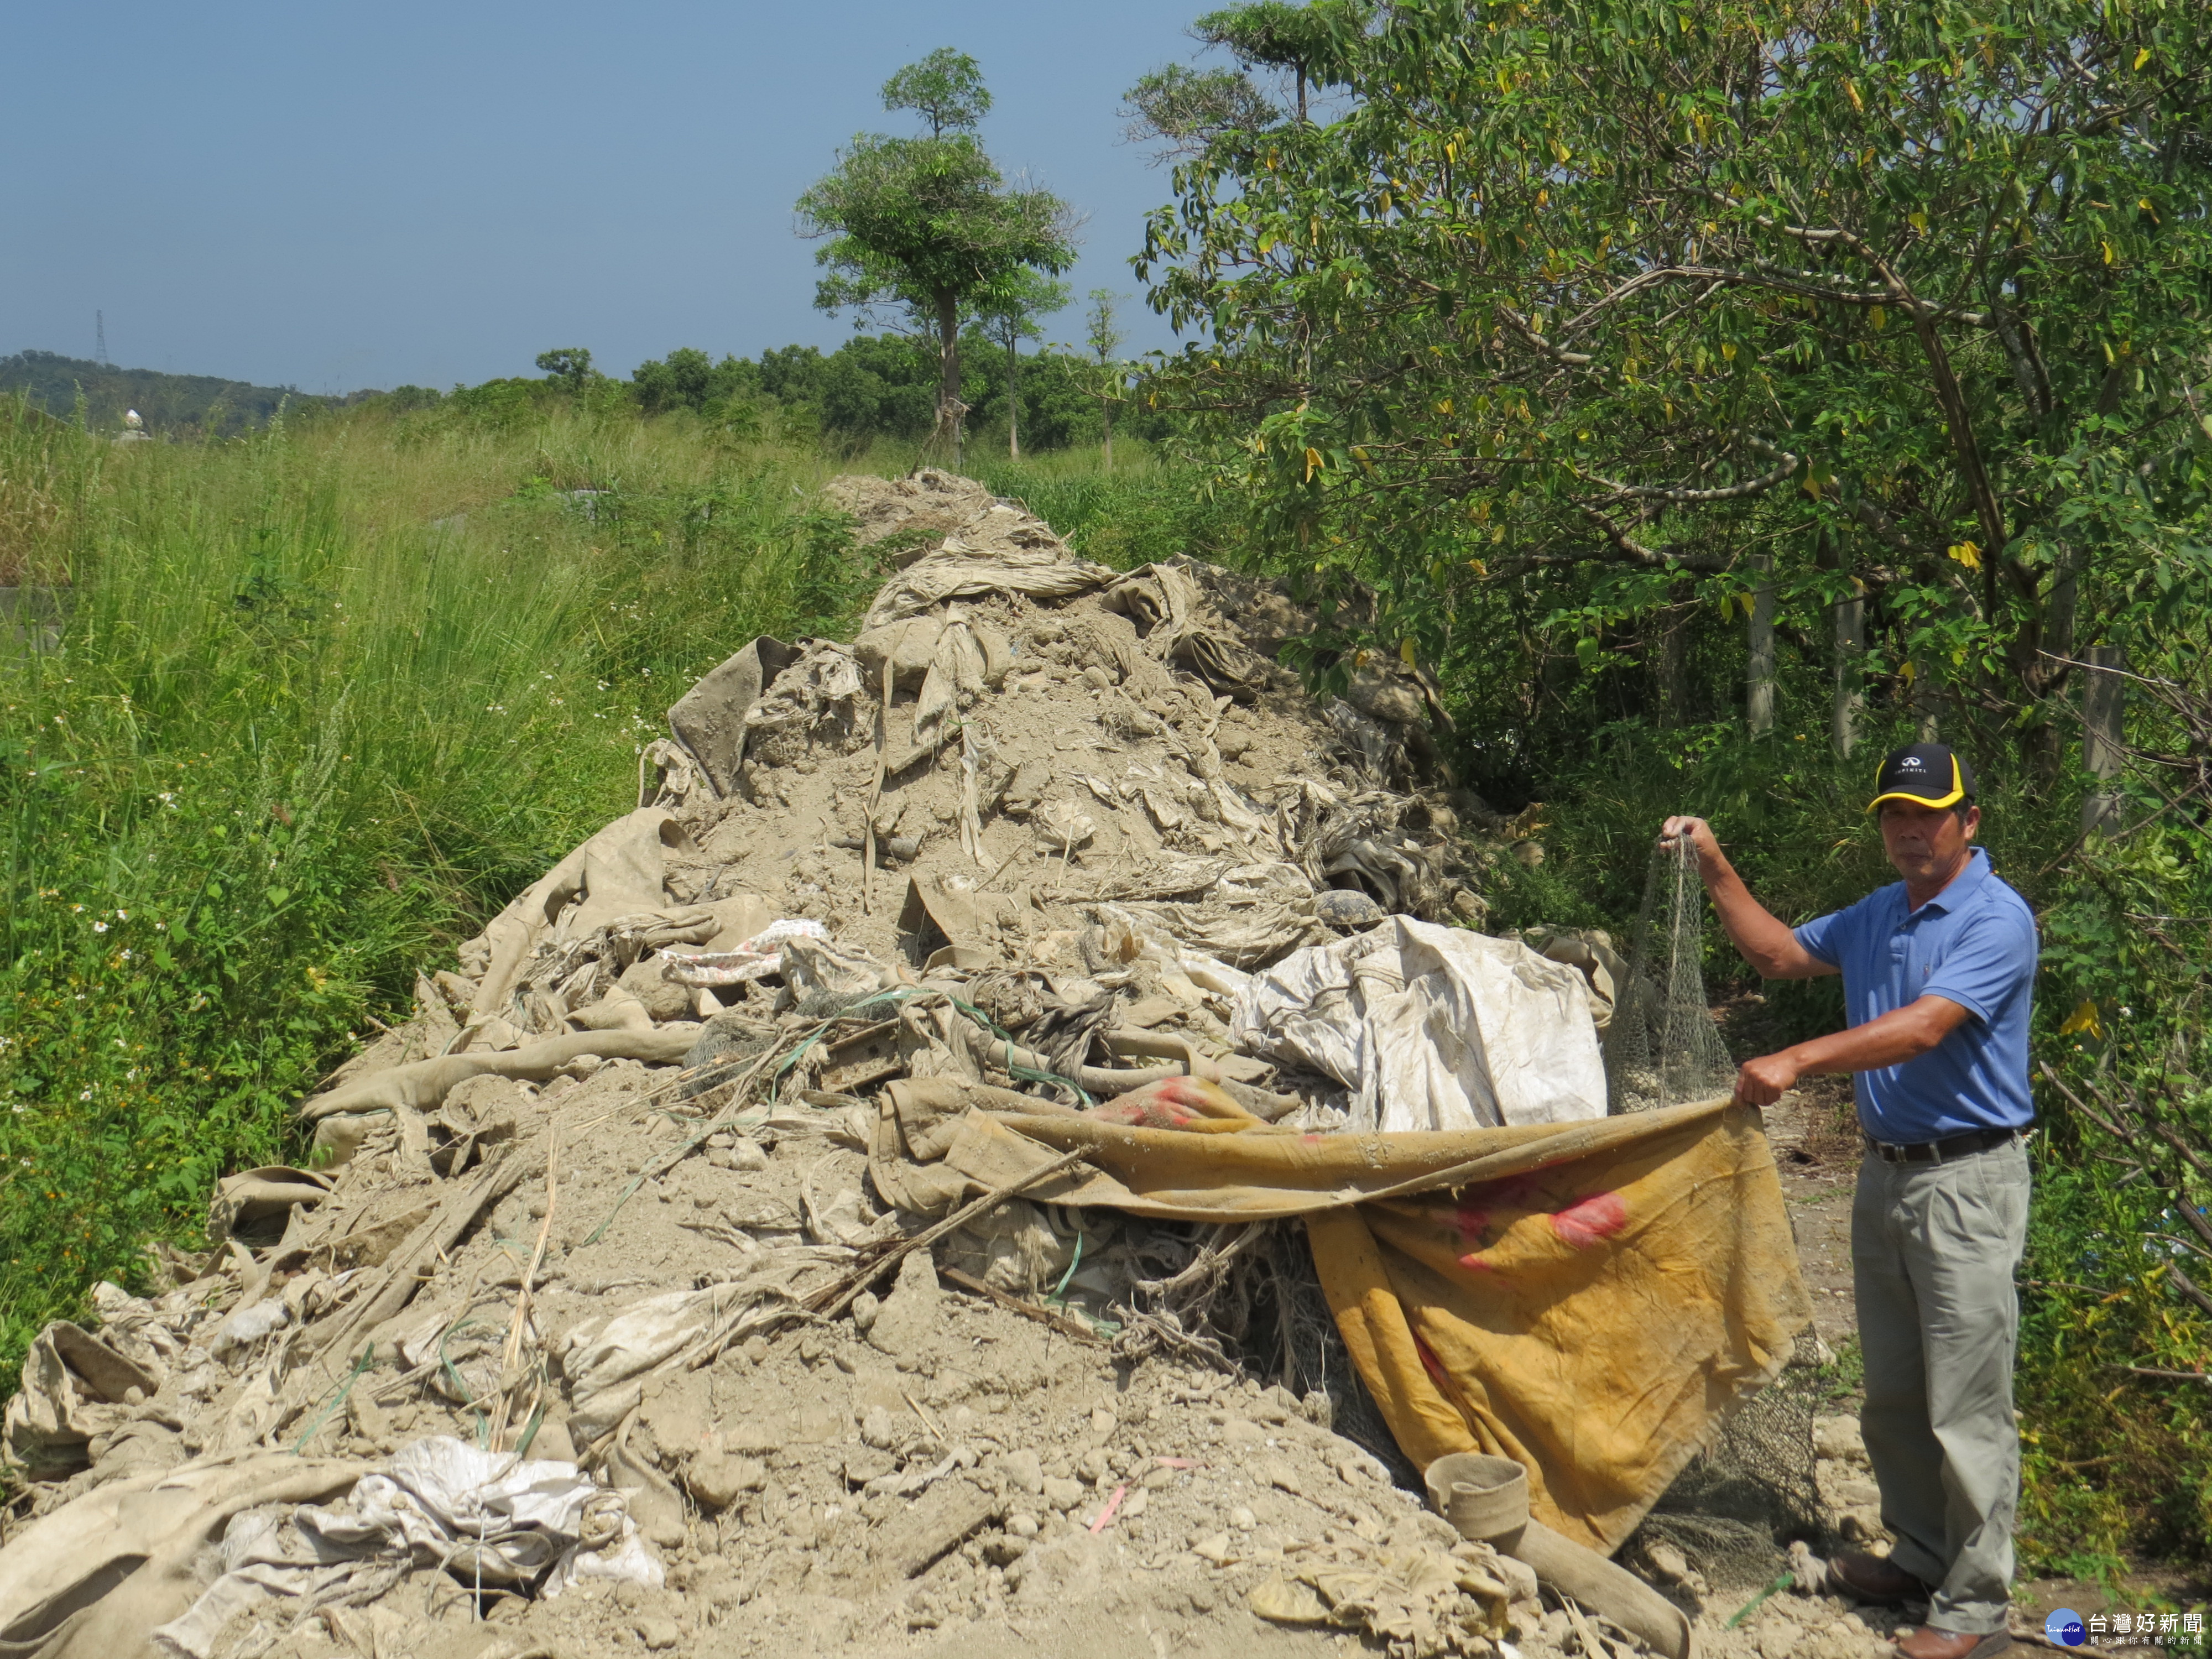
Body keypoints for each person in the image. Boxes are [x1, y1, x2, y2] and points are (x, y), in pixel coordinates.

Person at [1662, 743, 2036, 1659]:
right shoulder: (1879, 913)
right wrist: (1713, 863)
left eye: (1930, 814)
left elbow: (1926, 1027)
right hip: (1886, 1177)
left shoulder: (1997, 917)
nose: (1911, 832)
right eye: (1896, 816)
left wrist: (1798, 1059)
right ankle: (1917, 1556)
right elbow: (1779, 953)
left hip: (1968, 1183)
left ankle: (1977, 1606)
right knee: (1895, 1394)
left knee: (1968, 1402)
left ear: (1969, 822)